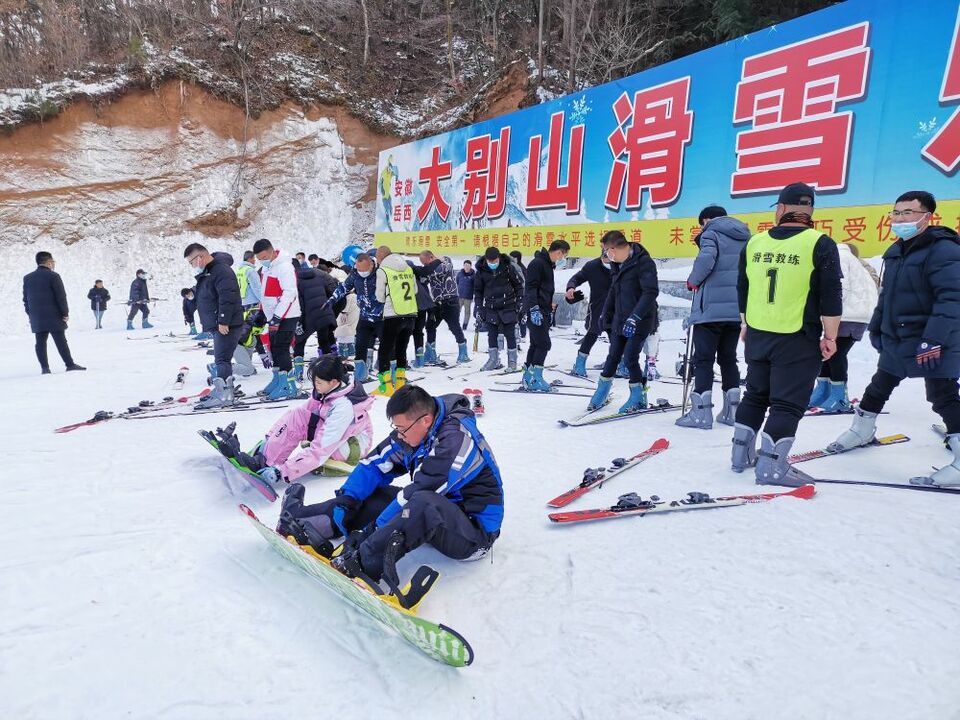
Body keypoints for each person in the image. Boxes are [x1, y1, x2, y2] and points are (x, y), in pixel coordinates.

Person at [274, 384, 503, 597]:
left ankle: (364, 562)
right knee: (375, 494)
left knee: (421, 502)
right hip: (434, 513)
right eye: (396, 428)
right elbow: (373, 465)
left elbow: (420, 492)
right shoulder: (417, 429)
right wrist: (346, 500)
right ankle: (307, 521)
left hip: (474, 534)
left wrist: (372, 530)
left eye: (402, 429)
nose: (399, 435)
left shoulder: (457, 440)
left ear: (425, 420)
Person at [829, 191, 960, 487]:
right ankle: (862, 431)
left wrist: (933, 339)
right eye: (896, 213)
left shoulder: (944, 250)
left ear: (928, 216)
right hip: (898, 338)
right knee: (878, 387)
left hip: (931, 340)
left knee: (943, 395)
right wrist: (876, 327)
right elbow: (886, 296)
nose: (900, 219)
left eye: (908, 213)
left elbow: (952, 299)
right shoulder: (896, 251)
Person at [731, 182, 842, 487]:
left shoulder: (755, 244)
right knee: (787, 404)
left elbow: (743, 288)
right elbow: (831, 295)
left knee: (755, 395)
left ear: (780, 209)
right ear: (810, 211)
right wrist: (830, 336)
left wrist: (745, 324)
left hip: (757, 334)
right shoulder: (820, 243)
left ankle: (740, 456)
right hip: (797, 337)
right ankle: (771, 468)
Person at [212, 355, 375, 488]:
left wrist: (282, 472)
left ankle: (267, 463)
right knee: (297, 415)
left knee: (301, 420)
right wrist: (267, 442)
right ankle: (264, 458)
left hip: (350, 447)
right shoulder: (329, 390)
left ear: (333, 382)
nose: (315, 386)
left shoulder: (343, 406)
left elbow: (321, 449)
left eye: (318, 382)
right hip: (339, 439)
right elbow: (298, 419)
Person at [675, 205, 751, 429]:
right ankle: (732, 411)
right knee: (728, 358)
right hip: (736, 309)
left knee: (704, 359)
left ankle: (701, 414)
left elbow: (707, 259)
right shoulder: (746, 235)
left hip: (710, 311)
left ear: (706, 220)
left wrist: (693, 280)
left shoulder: (711, 232)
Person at [588, 231, 659, 413]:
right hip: (620, 319)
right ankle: (602, 392)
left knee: (629, 358)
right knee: (612, 357)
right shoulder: (616, 264)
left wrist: (634, 317)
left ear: (614, 248)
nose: (606, 255)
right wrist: (605, 314)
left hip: (640, 320)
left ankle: (638, 396)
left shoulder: (644, 262)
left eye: (606, 251)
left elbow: (650, 292)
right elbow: (613, 291)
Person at [807, 242, 879, 412]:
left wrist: (828, 312)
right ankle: (824, 391)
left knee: (836, 354)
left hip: (847, 315)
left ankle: (839, 397)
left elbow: (839, 288)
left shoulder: (839, 257)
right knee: (827, 353)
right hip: (853, 314)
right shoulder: (847, 258)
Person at [184, 243, 244, 408]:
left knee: (222, 359)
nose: (192, 266)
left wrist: (223, 320)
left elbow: (228, 296)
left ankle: (224, 395)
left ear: (201, 257)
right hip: (219, 324)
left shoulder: (221, 271)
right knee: (221, 359)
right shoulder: (209, 271)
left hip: (227, 324)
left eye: (191, 262)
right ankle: (224, 390)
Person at [253, 238, 302, 400]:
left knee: (281, 349)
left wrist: (277, 317)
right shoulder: (269, 269)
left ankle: (289, 385)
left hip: (286, 316)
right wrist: (262, 314)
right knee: (274, 349)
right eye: (259, 259)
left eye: (264, 258)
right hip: (274, 316)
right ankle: (278, 380)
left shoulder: (284, 267)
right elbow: (267, 295)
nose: (262, 261)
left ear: (272, 251)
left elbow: (289, 294)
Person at [23, 251, 85, 374]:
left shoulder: (28, 278)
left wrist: (30, 314)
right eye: (53, 262)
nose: (54, 264)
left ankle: (45, 368)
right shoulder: (53, 276)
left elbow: (25, 299)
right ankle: (70, 364)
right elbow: (61, 296)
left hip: (37, 317)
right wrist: (65, 313)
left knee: (40, 343)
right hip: (54, 315)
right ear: (49, 262)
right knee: (61, 341)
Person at [522, 240, 570, 391]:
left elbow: (543, 290)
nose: (563, 258)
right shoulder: (538, 263)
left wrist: (547, 304)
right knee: (543, 344)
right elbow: (531, 287)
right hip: (536, 311)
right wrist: (535, 308)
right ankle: (536, 378)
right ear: (558, 252)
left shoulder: (547, 264)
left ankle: (528, 377)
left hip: (542, 309)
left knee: (536, 344)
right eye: (564, 255)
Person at [328, 253, 383, 383]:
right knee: (360, 346)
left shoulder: (381, 273)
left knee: (386, 347)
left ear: (371, 265)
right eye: (359, 269)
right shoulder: (354, 273)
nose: (361, 272)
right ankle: (361, 375)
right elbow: (344, 287)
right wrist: (331, 300)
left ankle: (388, 375)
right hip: (364, 316)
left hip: (381, 317)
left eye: (364, 270)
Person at [566, 237, 614, 377]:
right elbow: (577, 278)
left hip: (617, 310)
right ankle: (580, 364)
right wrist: (571, 287)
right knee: (592, 335)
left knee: (616, 339)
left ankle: (616, 364)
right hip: (598, 309)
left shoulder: (622, 266)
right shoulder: (592, 266)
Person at [374, 246, 418, 396]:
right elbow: (415, 290)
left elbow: (380, 296)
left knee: (385, 349)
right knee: (401, 348)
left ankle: (385, 386)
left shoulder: (383, 271)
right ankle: (400, 381)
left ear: (381, 257)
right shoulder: (408, 269)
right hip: (410, 313)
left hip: (393, 315)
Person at [474, 247, 524, 371]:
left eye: (495, 261)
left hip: (508, 305)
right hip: (490, 307)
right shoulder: (481, 271)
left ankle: (512, 361)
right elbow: (478, 291)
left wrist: (520, 302)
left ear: (499, 258)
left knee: (510, 334)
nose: (493, 263)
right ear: (486, 259)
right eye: (490, 261)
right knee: (492, 334)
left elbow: (519, 285)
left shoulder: (508, 267)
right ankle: (493, 360)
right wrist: (479, 308)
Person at [414, 250, 470, 365]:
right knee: (430, 326)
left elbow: (435, 271)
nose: (425, 266)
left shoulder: (445, 261)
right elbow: (424, 278)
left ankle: (463, 351)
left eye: (426, 263)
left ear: (431, 257)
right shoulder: (429, 269)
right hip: (436, 303)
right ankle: (430, 353)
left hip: (450, 301)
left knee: (454, 327)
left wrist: (425, 271)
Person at [293, 260, 338, 380]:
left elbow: (300, 305)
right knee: (324, 342)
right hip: (324, 312)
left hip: (310, 316)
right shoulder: (317, 276)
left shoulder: (296, 282)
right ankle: (331, 370)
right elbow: (330, 293)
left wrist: (300, 322)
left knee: (299, 342)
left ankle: (298, 374)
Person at [234, 250, 265, 373]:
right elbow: (258, 288)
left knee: (248, 336)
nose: (255, 261)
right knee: (251, 336)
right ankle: (246, 366)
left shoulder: (239, 271)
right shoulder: (250, 271)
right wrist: (264, 302)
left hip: (243, 306)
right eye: (254, 259)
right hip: (253, 306)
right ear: (250, 258)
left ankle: (246, 365)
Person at [457, 260, 475, 330]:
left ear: (470, 266)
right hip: (460, 296)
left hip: (468, 297)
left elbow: (475, 286)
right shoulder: (460, 274)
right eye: (465, 265)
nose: (466, 267)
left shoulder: (474, 275)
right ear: (463, 266)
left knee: (467, 312)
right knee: (457, 311)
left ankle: (465, 325)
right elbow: (457, 282)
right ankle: (455, 324)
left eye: (468, 266)